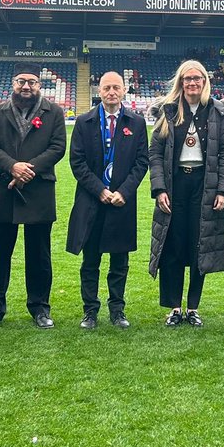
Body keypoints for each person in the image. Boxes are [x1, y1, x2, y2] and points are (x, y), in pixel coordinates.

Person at [0, 69, 67, 331]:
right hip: (5, 188)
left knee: (39, 254)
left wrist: (30, 169)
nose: (26, 86)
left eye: (31, 82)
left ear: (39, 85)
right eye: (21, 81)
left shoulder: (54, 112)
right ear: (13, 84)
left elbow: (58, 147)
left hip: (39, 189)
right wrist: (13, 166)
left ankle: (40, 307)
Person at [148, 60, 224, 327]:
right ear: (181, 82)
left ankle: (193, 307)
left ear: (205, 81)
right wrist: (159, 187)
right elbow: (155, 153)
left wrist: (223, 190)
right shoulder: (170, 111)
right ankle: (174, 307)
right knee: (172, 245)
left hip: (205, 184)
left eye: (197, 78)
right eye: (188, 79)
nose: (193, 83)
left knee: (201, 245)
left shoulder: (218, 113)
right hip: (175, 185)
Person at [65, 71, 149, 329]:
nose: (111, 92)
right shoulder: (84, 121)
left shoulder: (136, 122)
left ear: (124, 91)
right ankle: (90, 311)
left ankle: (117, 310)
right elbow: (77, 162)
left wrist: (124, 191)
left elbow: (141, 162)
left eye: (116, 87)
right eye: (106, 88)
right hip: (92, 201)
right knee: (90, 261)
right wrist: (99, 189)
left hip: (122, 203)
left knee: (119, 262)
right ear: (98, 91)